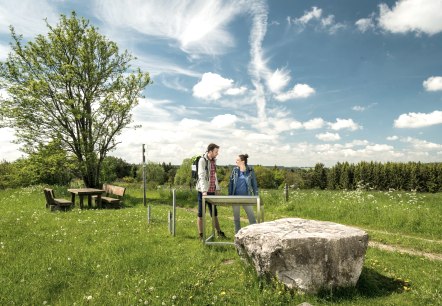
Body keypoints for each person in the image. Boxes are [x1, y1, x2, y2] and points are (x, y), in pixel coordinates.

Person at [196, 143, 226, 240]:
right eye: (216, 152)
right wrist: (204, 191)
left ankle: (219, 232)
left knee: (214, 213)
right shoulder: (202, 160)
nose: (217, 153)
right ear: (210, 152)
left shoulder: (213, 161)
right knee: (201, 213)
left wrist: (217, 188)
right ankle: (201, 235)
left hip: (212, 191)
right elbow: (201, 176)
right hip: (203, 192)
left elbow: (214, 176)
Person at [228, 154, 258, 234]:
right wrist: (230, 197)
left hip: (246, 197)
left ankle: (255, 234)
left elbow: (254, 184)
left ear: (242, 161)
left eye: (237, 160)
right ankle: (237, 235)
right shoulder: (234, 170)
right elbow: (231, 184)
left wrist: (256, 196)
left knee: (251, 217)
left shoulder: (250, 171)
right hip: (235, 197)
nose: (236, 161)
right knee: (236, 218)